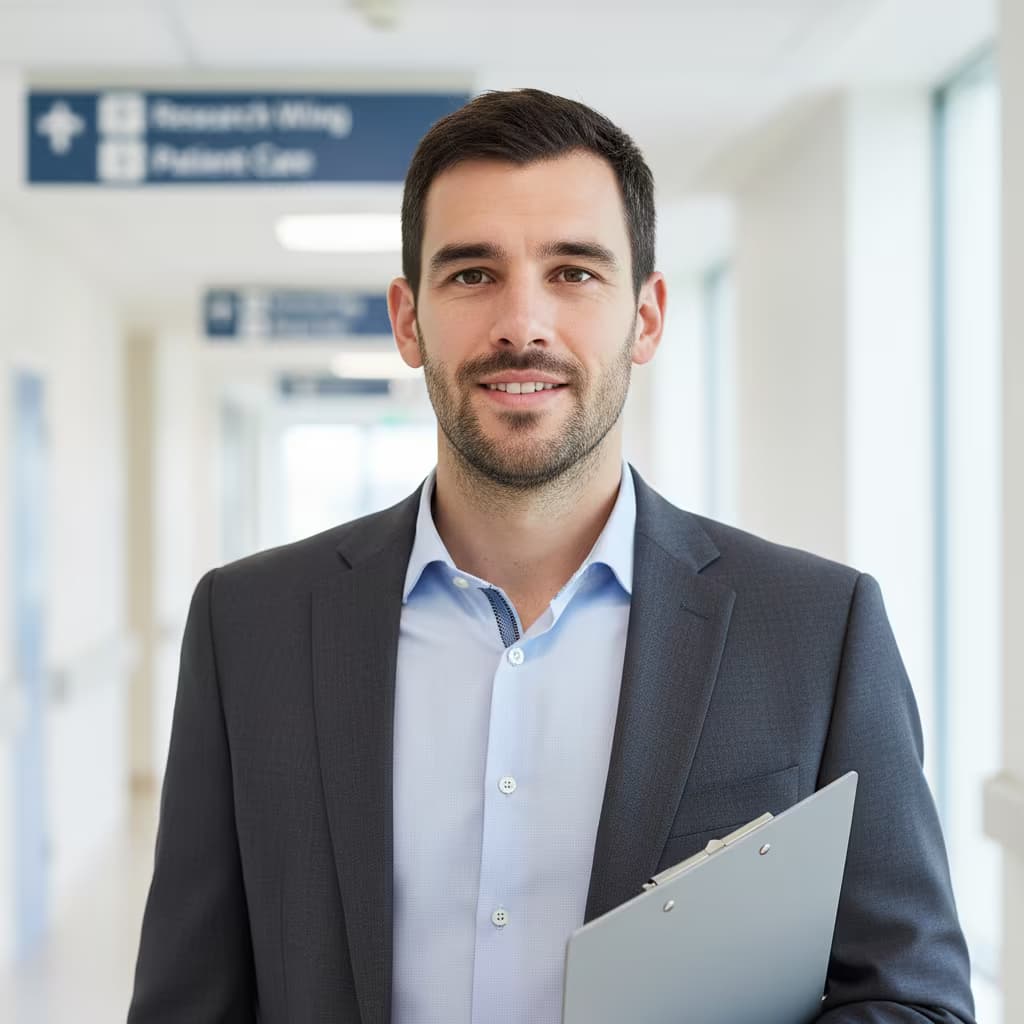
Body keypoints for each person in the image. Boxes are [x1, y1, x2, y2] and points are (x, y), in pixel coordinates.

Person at [127, 89, 975, 1024]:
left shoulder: (816, 629)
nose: (522, 323)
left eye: (573, 272)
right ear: (408, 320)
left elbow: (913, 1000)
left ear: (646, 317)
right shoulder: (252, 627)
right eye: (471, 274)